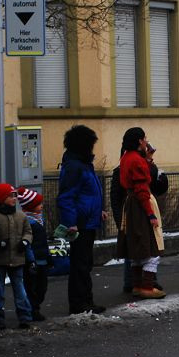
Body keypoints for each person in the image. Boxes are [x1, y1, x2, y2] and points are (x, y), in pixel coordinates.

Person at [58, 125, 107, 315]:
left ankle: (86, 301)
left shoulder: (82, 164)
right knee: (80, 265)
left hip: (86, 220)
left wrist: (98, 212)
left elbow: (87, 195)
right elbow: (67, 197)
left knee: (85, 264)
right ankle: (79, 303)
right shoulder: (75, 166)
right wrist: (71, 222)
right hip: (79, 223)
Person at [111, 140, 169, 293]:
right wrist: (120, 222)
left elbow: (155, 185)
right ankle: (137, 283)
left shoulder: (134, 165)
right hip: (137, 213)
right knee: (143, 250)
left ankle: (144, 283)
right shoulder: (128, 169)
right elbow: (117, 198)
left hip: (137, 212)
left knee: (140, 250)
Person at [0, 184, 33, 330]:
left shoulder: (21, 216)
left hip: (17, 259)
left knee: (20, 289)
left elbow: (28, 232)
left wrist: (25, 241)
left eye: (15, 196)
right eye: (10, 196)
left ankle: (25, 317)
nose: (14, 199)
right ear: (1, 198)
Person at [18, 187, 49, 321]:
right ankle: (32, 310)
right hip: (33, 261)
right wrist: (31, 260)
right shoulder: (28, 222)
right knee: (32, 287)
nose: (41, 206)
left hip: (42, 258)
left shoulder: (39, 220)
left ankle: (35, 307)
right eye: (38, 204)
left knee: (42, 286)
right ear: (30, 206)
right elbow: (28, 243)